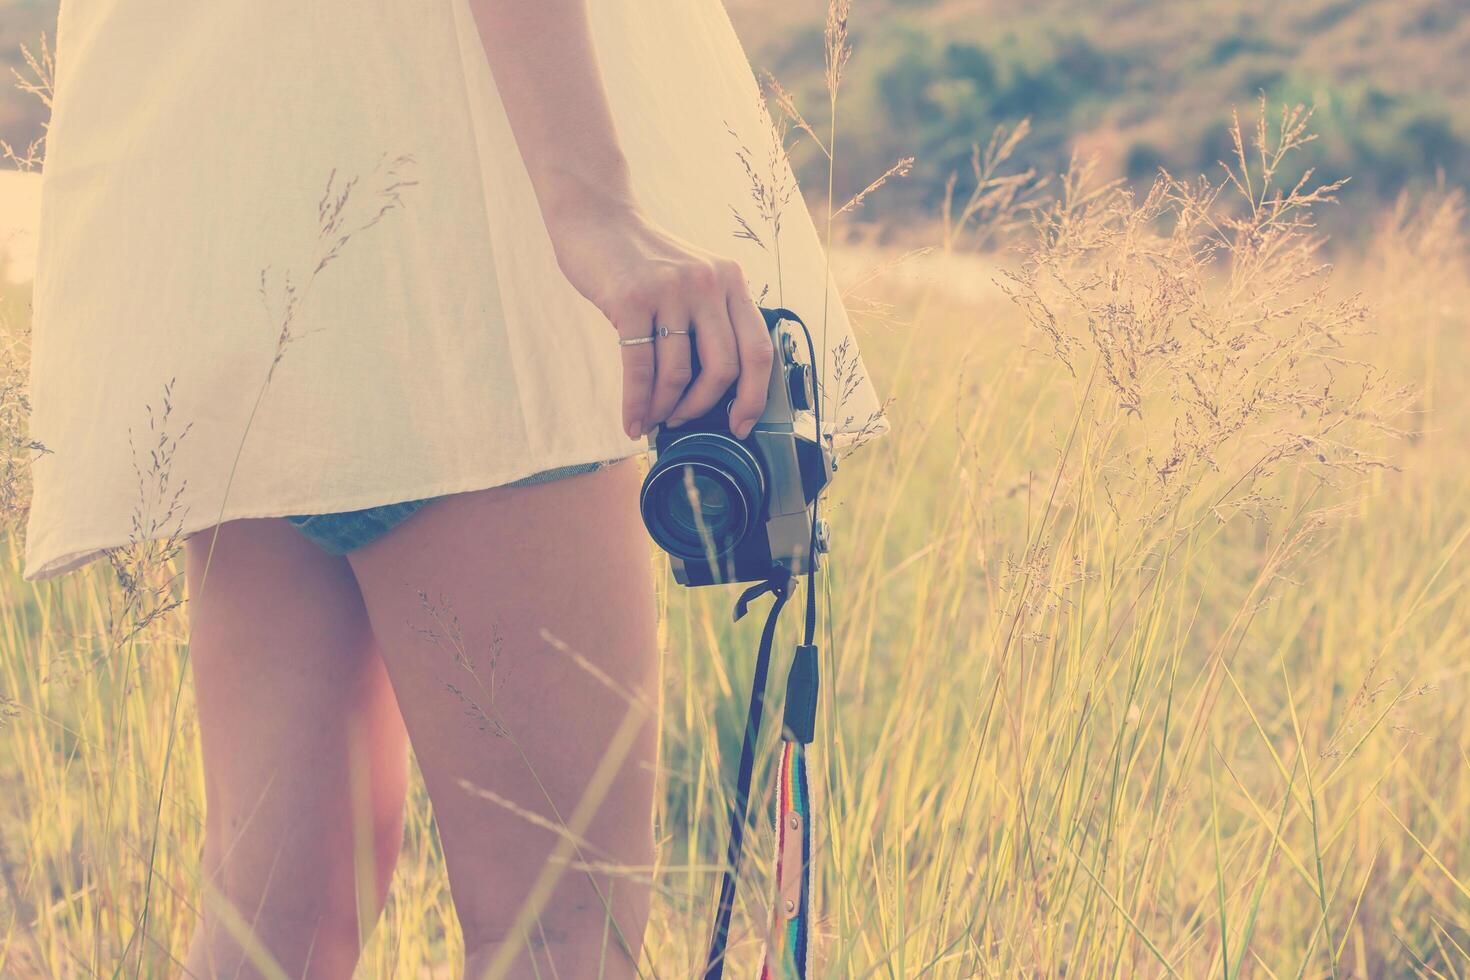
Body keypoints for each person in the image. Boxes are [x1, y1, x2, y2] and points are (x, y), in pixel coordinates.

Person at [21, 0, 884, 976]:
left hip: (248, 238)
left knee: (275, 930)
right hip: (457, 267)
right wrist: (597, 214)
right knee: (561, 931)